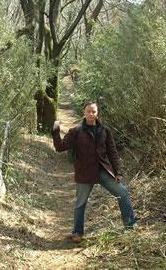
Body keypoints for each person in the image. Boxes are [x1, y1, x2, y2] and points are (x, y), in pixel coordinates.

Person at [51, 101, 137, 243]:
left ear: (97, 113)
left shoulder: (105, 130)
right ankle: (77, 232)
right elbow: (60, 147)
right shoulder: (76, 131)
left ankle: (131, 225)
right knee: (80, 203)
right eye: (89, 111)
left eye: (94, 111)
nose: (91, 114)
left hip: (102, 170)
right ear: (84, 113)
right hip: (84, 172)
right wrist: (55, 131)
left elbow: (112, 152)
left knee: (123, 192)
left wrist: (118, 172)